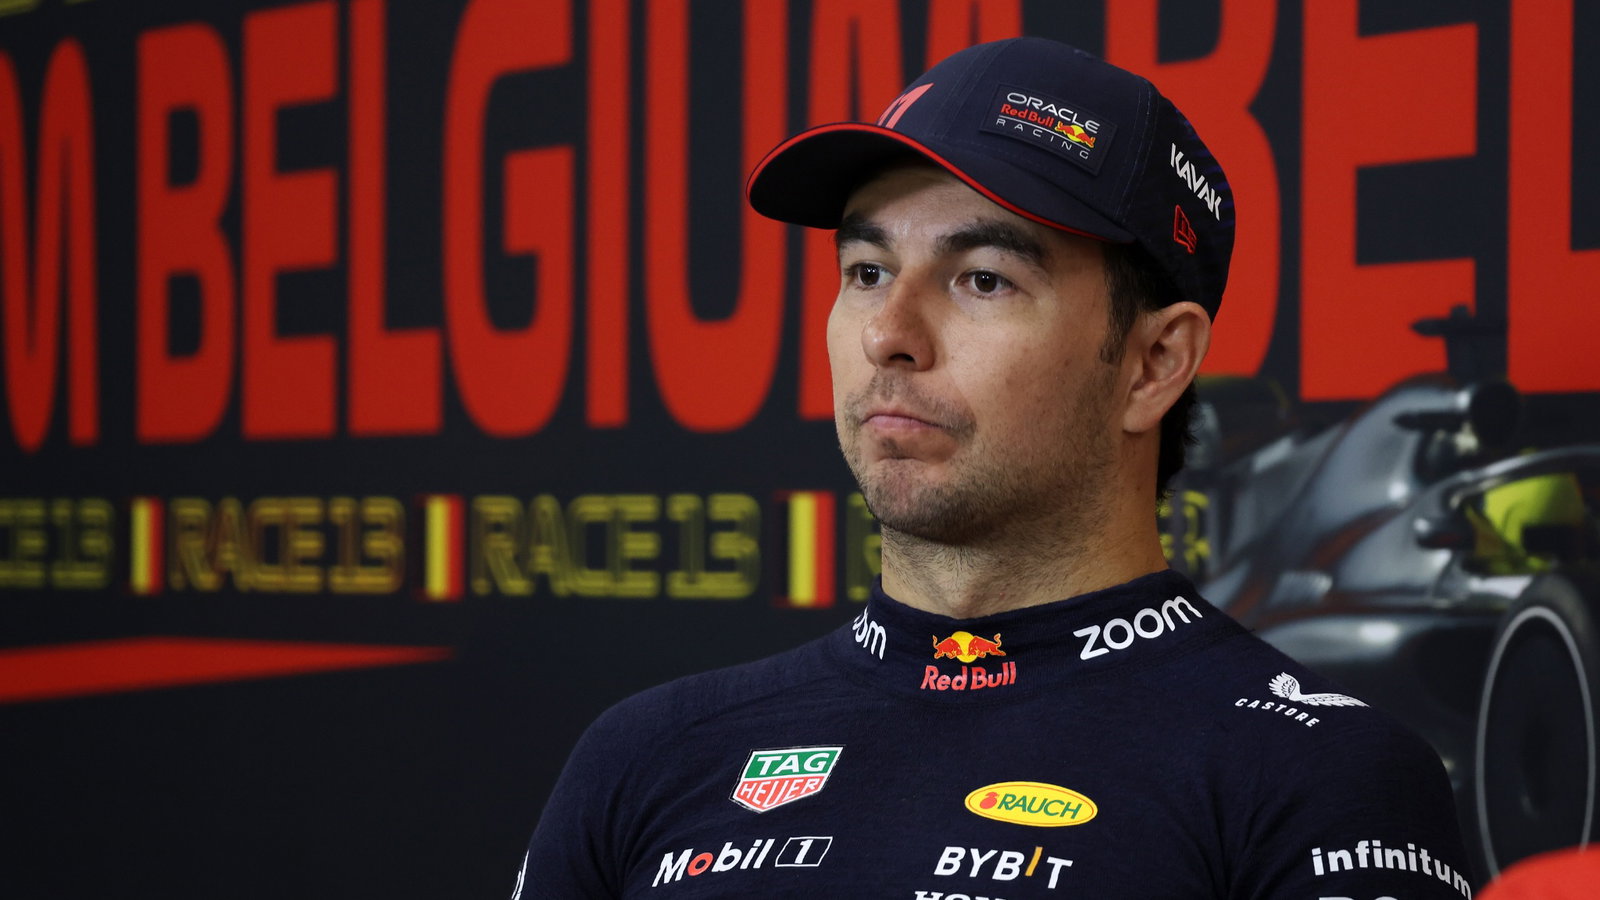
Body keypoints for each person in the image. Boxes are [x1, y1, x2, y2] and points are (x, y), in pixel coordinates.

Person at [513, 37, 1472, 898]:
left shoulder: (1321, 777)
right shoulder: (645, 757)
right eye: (866, 272)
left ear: (1154, 364)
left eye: (982, 279)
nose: (890, 334)